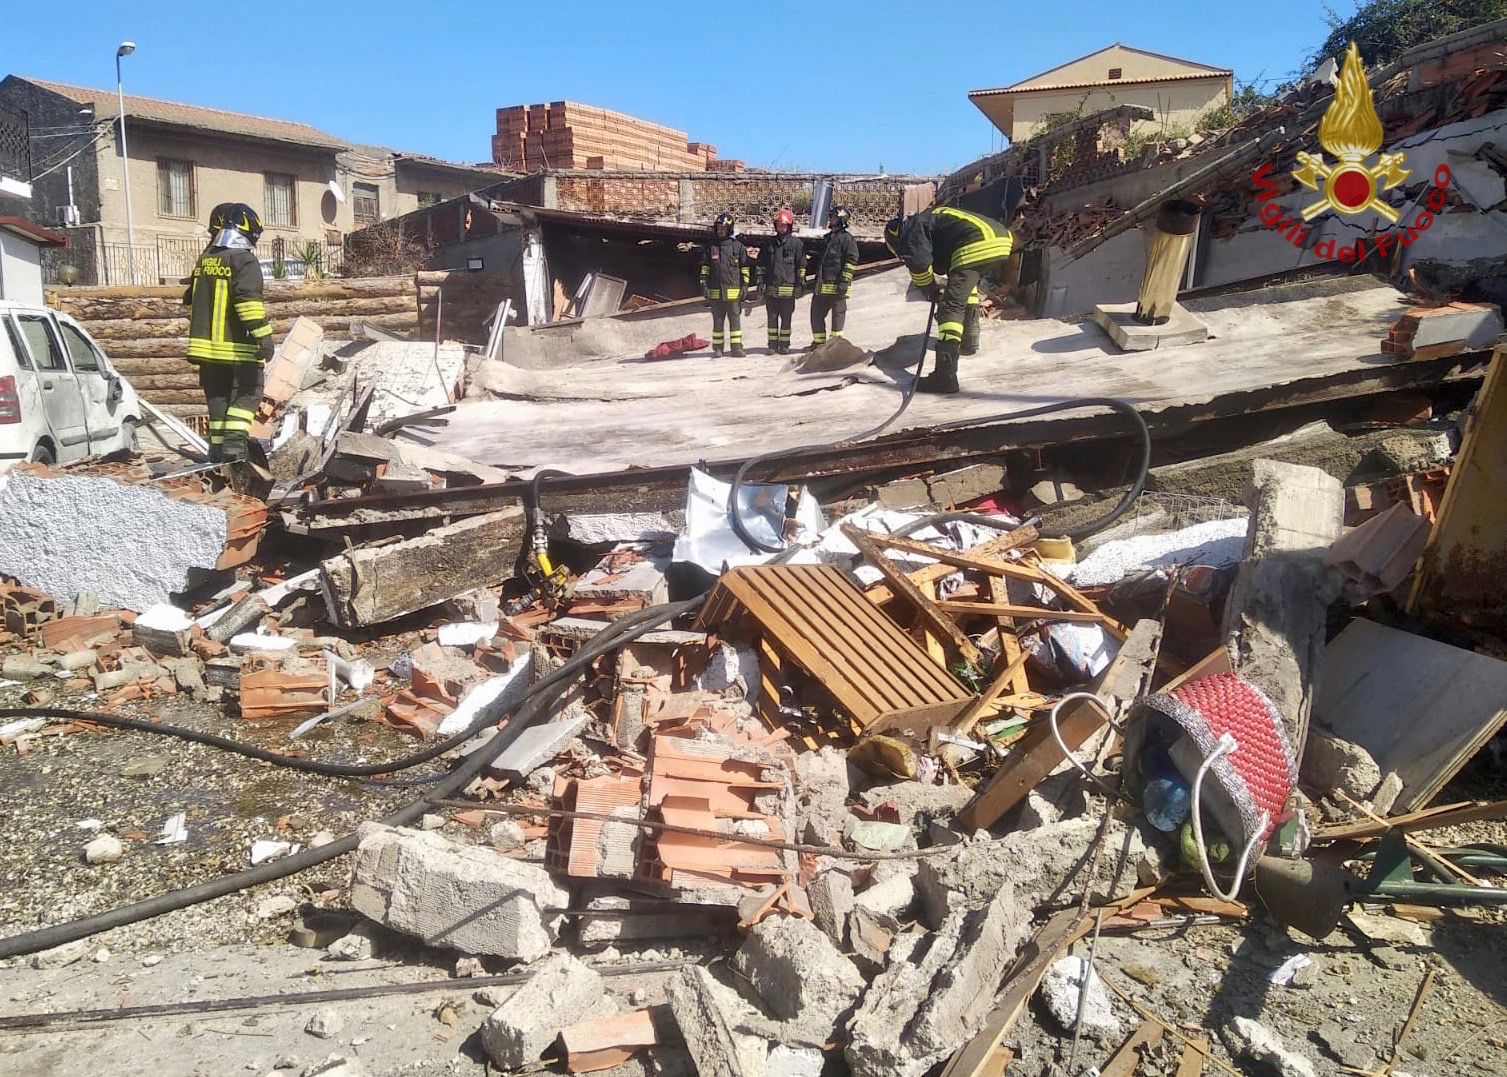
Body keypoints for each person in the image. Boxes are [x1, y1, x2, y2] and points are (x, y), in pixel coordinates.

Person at [884, 206, 1014, 393]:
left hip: (975, 242)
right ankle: (968, 342)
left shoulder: (912, 229)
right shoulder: (931, 221)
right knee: (963, 290)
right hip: (1000, 239)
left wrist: (929, 290)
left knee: (950, 307)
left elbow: (919, 264)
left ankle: (944, 377)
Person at [183, 203, 274, 461]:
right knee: (249, 393)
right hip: (238, 348)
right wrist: (264, 338)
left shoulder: (205, 261)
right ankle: (235, 451)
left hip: (205, 351)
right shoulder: (244, 261)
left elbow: (189, 298)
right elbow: (249, 305)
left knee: (218, 400)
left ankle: (217, 454)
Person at [806, 205, 859, 347]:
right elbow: (821, 261)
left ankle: (834, 345)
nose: (831, 219)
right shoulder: (827, 239)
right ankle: (819, 343)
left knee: (838, 316)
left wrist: (845, 281)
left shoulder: (847, 240)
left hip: (838, 287)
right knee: (816, 315)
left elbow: (851, 261)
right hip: (822, 286)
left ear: (841, 220)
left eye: (834, 217)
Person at [699, 212, 750, 357]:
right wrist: (703, 284)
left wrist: (745, 286)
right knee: (718, 322)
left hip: (733, 293)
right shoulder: (711, 248)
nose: (720, 230)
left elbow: (745, 269)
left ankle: (736, 348)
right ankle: (718, 348)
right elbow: (705, 268)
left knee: (735, 321)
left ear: (729, 229)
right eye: (718, 228)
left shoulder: (738, 247)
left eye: (723, 228)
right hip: (716, 292)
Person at [756, 208, 804, 354]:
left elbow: (800, 265)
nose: (780, 228)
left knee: (786, 319)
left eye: (783, 225)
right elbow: (761, 265)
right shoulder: (768, 244)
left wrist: (800, 284)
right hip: (771, 288)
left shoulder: (797, 244)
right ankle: (772, 345)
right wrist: (759, 281)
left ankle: (784, 345)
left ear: (789, 226)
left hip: (788, 289)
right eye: (778, 225)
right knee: (772, 318)